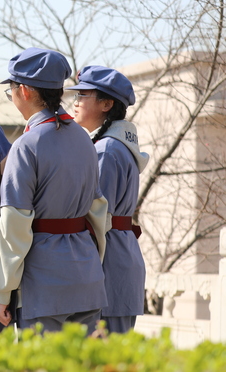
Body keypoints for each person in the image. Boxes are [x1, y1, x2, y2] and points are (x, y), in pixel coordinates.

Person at [0, 47, 108, 333]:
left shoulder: (25, 146)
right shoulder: (84, 139)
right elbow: (99, 213)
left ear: (26, 91)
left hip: (43, 283)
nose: (13, 96)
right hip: (87, 276)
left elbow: (14, 226)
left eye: (12, 90)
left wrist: (3, 292)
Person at [67, 66, 149, 333]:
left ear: (106, 104)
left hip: (108, 260)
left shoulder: (106, 150)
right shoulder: (111, 145)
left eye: (83, 95)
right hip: (118, 256)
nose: (75, 102)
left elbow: (96, 218)